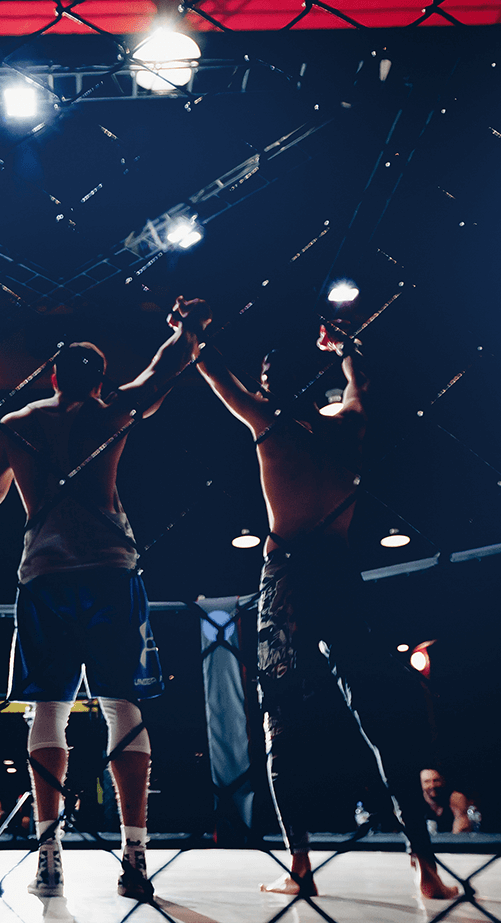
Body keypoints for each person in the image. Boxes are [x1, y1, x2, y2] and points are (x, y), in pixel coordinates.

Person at [194, 323, 459, 899]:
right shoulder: (347, 428)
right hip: (340, 574)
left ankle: (300, 867)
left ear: (269, 385)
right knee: (378, 716)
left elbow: (213, 372)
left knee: (280, 720)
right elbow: (362, 384)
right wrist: (345, 349)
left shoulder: (269, 425)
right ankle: (427, 867)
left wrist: (194, 331)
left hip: (288, 578)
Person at [0, 298, 210, 901]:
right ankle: (135, 855)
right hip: (109, 569)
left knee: (45, 709)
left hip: (44, 573)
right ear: (99, 380)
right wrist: (191, 327)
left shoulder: (15, 425)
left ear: (50, 375)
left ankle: (49, 856)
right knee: (121, 704)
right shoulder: (114, 411)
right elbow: (166, 368)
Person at [421, 769, 480, 835]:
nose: (432, 785)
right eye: (427, 782)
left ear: (443, 781)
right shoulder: (416, 803)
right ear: (421, 784)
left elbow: (462, 828)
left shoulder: (455, 798)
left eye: (436, 781)